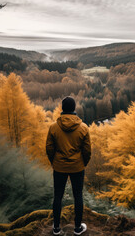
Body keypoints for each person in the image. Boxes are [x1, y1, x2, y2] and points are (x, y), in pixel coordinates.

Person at [46, 96, 91, 235]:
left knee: (57, 196)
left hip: (59, 166)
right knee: (78, 196)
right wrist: (83, 163)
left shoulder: (53, 127)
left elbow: (49, 148)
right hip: (77, 167)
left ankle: (56, 228)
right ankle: (78, 228)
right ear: (74, 109)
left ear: (62, 109)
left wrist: (54, 162)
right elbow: (87, 150)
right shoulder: (83, 128)